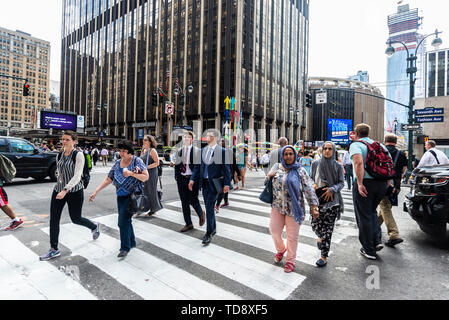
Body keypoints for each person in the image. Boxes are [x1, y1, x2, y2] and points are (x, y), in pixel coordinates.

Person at [39, 131, 100, 261]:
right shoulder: (60, 154)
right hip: (59, 190)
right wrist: (60, 186)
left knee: (76, 218)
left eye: (67, 139)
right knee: (54, 219)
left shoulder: (78, 155)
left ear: (74, 141)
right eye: (63, 139)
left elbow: (77, 176)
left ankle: (94, 226)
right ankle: (54, 249)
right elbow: (60, 172)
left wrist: (65, 189)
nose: (64, 142)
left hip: (74, 192)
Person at [89, 140, 148, 258]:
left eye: (124, 151)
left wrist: (131, 173)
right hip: (120, 196)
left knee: (122, 222)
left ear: (130, 151)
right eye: (120, 151)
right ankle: (132, 242)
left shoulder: (137, 161)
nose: (122, 153)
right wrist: (96, 191)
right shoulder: (117, 164)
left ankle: (125, 247)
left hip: (132, 196)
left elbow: (146, 177)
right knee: (126, 221)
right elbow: (108, 179)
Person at [267, 145, 319, 273]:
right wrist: (268, 176)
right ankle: (281, 249)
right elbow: (268, 183)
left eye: (291, 154)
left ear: (295, 155)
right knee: (274, 231)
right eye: (286, 154)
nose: (288, 156)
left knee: (292, 236)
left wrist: (314, 206)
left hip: (294, 208)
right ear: (282, 156)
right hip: (277, 206)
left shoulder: (300, 170)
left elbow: (308, 189)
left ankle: (290, 260)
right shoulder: (276, 167)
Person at [350, 123, 388, 260]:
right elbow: (388, 163)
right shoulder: (379, 145)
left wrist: (360, 184)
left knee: (363, 216)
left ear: (356, 133)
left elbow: (358, 163)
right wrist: (388, 181)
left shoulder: (356, 145)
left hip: (366, 183)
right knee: (371, 212)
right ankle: (376, 241)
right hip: (382, 183)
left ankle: (368, 249)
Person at [189, 130, 231, 246]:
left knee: (208, 207)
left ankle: (208, 233)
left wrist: (227, 184)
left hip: (215, 184)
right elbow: (197, 167)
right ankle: (213, 229)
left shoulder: (222, 151)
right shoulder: (202, 151)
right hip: (204, 183)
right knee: (209, 207)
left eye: (210, 136)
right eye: (207, 136)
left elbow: (226, 169)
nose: (207, 137)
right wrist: (192, 179)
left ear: (216, 138)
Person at [310, 141, 345, 267]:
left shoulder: (338, 166)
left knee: (328, 231)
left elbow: (341, 183)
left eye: (330, 149)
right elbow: (310, 178)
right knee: (315, 225)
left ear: (333, 150)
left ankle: (323, 256)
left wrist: (332, 189)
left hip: (332, 202)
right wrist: (312, 184)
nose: (327, 151)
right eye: (325, 148)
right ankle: (319, 236)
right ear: (322, 150)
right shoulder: (315, 164)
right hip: (317, 200)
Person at [378, 134, 407, 248]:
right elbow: (404, 170)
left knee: (384, 206)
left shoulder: (382, 152)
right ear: (395, 142)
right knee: (386, 207)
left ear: (385, 141)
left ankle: (394, 234)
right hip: (396, 186)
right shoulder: (401, 153)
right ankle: (374, 227)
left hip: (384, 184)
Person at [174, 131, 205, 232]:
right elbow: (177, 164)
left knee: (193, 199)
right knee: (184, 202)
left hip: (192, 179)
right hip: (181, 179)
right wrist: (177, 177)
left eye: (188, 137)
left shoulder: (197, 151)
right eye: (184, 137)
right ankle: (188, 223)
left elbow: (197, 167)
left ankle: (201, 213)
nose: (186, 139)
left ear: (192, 139)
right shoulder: (179, 151)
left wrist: (192, 179)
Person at [139, 135, 163, 216]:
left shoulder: (152, 150)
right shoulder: (143, 149)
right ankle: (143, 208)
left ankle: (154, 209)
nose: (143, 141)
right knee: (144, 190)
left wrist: (146, 167)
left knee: (151, 190)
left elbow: (157, 163)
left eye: (145, 140)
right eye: (143, 139)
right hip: (144, 173)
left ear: (150, 141)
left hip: (152, 173)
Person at [215, 139, 235, 211]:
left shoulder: (229, 151)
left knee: (223, 189)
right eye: (221, 141)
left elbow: (234, 163)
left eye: (223, 141)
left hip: (228, 172)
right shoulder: (219, 151)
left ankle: (217, 204)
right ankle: (225, 201)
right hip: (220, 173)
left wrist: (236, 174)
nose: (221, 142)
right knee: (223, 188)